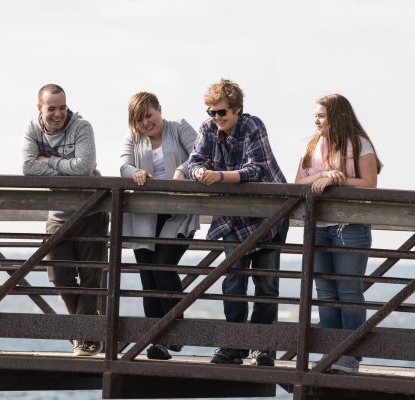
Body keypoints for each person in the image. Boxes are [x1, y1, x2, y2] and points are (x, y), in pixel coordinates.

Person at [188, 79, 288, 366]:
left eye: (222, 113)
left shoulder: (252, 126)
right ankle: (234, 345)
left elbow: (256, 169)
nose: (216, 118)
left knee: (266, 283)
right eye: (212, 112)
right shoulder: (207, 129)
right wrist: (199, 174)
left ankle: (263, 346)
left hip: (270, 213)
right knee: (233, 282)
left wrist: (219, 177)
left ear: (237, 109)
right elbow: (194, 160)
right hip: (232, 217)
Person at [295, 93, 382, 373]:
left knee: (348, 291)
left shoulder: (359, 143)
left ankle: (350, 356)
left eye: (321, 115)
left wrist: (338, 179)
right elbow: (298, 182)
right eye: (316, 115)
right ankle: (330, 354)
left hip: (351, 227)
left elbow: (369, 184)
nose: (316, 120)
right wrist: (323, 176)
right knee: (325, 292)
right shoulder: (313, 144)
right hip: (318, 227)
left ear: (337, 116)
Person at [21, 84, 109, 356]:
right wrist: (65, 165)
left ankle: (87, 339)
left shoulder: (82, 127)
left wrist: (49, 161)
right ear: (40, 108)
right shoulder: (33, 130)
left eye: (62, 107)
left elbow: (84, 169)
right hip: (58, 214)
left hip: (91, 209)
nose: (58, 113)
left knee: (91, 275)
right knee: (59, 275)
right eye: (51, 108)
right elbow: (27, 168)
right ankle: (88, 331)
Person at [120, 92, 200, 360]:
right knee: (148, 278)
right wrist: (136, 173)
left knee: (163, 268)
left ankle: (175, 332)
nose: (146, 123)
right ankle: (156, 342)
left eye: (149, 116)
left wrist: (181, 171)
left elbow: (199, 155)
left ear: (159, 110)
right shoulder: (134, 137)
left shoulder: (179, 128)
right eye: (140, 119)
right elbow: (124, 166)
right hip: (144, 216)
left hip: (177, 214)